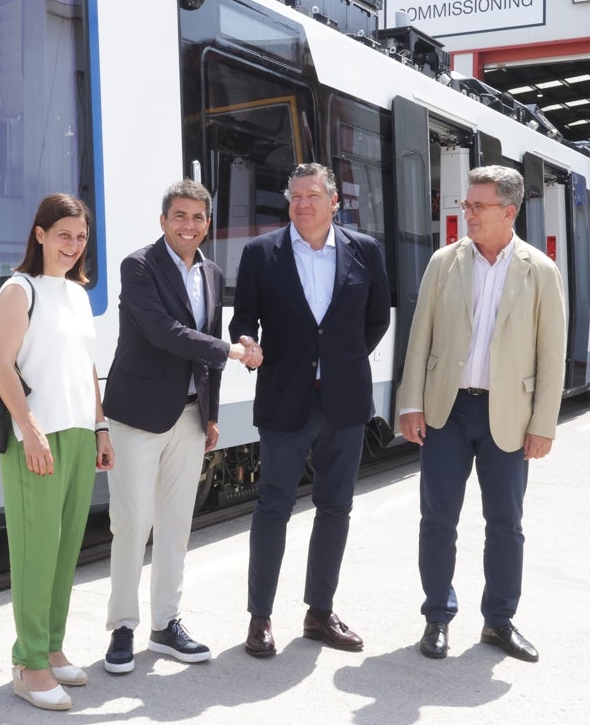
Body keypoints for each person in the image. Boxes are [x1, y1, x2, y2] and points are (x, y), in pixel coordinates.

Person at [397, 165, 566, 663]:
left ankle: (498, 622)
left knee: (505, 522)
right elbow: (420, 334)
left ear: (508, 211)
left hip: (508, 415)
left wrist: (543, 424)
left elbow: (551, 353)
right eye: (466, 204)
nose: (466, 213)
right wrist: (411, 402)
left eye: (477, 206)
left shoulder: (540, 270)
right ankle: (437, 618)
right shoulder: (444, 262)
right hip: (448, 410)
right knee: (437, 519)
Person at [229, 162, 390, 657]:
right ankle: (260, 618)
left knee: (336, 507)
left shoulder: (365, 251)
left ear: (334, 201)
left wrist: (336, 362)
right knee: (273, 505)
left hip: (342, 400)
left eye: (312, 195)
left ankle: (320, 613)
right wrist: (247, 342)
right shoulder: (261, 253)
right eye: (294, 195)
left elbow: (376, 320)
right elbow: (245, 319)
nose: (302, 203)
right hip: (285, 397)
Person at [101, 179, 261, 674]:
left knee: (175, 526)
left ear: (207, 224)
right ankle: (123, 627)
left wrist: (211, 414)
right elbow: (162, 332)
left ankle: (165, 624)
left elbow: (205, 343)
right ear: (163, 220)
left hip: (190, 416)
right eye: (179, 215)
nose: (188, 225)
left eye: (197, 217)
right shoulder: (139, 265)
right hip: (138, 415)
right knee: (131, 523)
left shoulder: (212, 273)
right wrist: (234, 350)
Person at [0, 193, 115, 711]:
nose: (73, 245)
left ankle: (52, 645)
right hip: (35, 436)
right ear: (39, 234)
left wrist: (101, 428)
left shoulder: (78, 294)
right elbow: (0, 365)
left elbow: (86, 366)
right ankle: (28, 662)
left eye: (81, 237)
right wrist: (31, 428)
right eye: (64, 234)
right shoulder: (19, 290)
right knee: (35, 551)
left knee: (65, 551)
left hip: (79, 431)